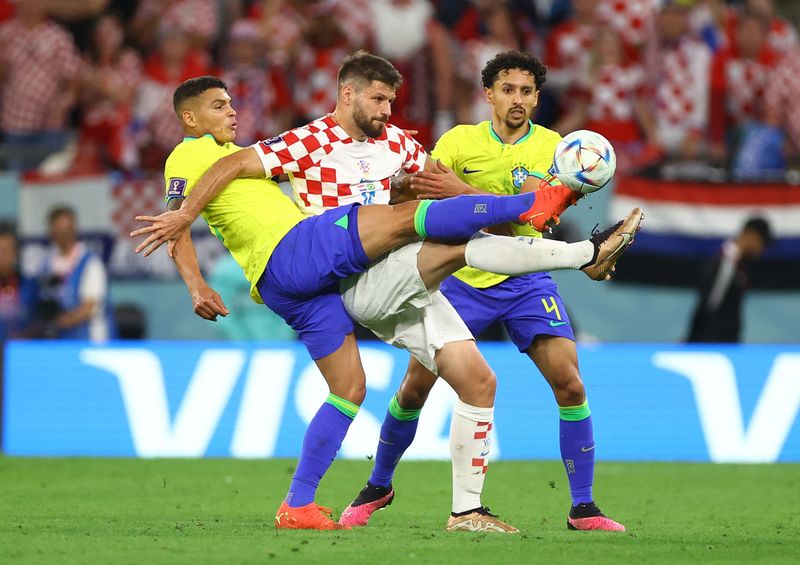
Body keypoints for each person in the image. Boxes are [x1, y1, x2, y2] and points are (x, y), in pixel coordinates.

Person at [130, 68, 642, 531]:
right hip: (343, 261)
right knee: (437, 238)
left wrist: (439, 186)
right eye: (377, 100)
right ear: (347, 94)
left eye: (391, 102)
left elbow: (441, 192)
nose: (386, 111)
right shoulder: (296, 141)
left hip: (357, 277)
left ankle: (454, 510)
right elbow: (187, 204)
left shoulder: (399, 143)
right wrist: (193, 276)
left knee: (466, 381)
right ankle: (579, 249)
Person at [342, 51, 627, 532]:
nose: (517, 99)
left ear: (537, 98)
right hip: (459, 277)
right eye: (508, 89)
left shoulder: (557, 150)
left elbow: (531, 217)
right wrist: (437, 187)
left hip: (525, 278)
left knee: (570, 382)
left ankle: (583, 506)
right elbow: (425, 197)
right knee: (414, 388)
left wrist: (462, 192)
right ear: (489, 94)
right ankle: (379, 484)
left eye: (527, 91)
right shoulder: (458, 142)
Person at [32, 206, 114, 341]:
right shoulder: (46, 263)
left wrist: (56, 323)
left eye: (67, 230)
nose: (64, 235)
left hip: (90, 338)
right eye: (59, 230)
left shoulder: (90, 263)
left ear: (75, 230)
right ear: (51, 231)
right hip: (60, 339)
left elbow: (88, 307)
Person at [687, 217, 772, 343]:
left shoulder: (738, 264)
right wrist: (698, 342)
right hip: (713, 343)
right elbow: (710, 305)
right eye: (762, 243)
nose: (762, 249)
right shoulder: (726, 262)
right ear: (751, 235)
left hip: (725, 342)